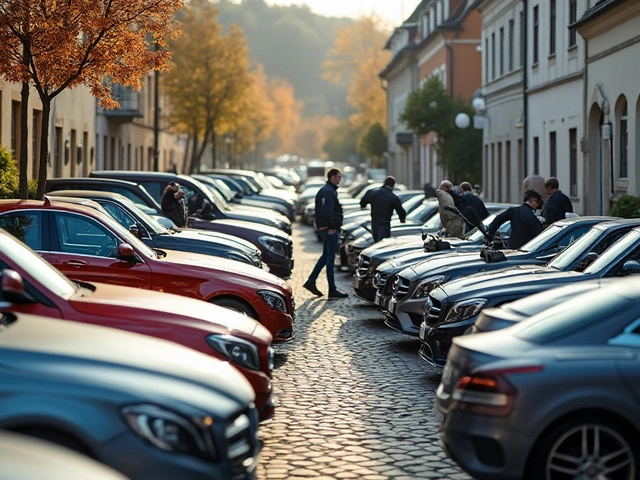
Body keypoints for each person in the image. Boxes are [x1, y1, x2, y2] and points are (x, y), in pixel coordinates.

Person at [303, 168, 348, 299]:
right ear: (332, 177)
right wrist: (332, 226)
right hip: (329, 230)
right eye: (338, 177)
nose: (340, 179)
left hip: (326, 228)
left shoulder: (327, 190)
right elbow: (327, 211)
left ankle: (311, 281)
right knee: (330, 259)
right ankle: (332, 290)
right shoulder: (328, 192)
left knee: (325, 256)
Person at [359, 176, 407, 242]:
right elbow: (401, 211)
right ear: (393, 185)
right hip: (385, 223)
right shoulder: (392, 197)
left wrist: (363, 205)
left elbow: (363, 201)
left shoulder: (373, 193)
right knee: (384, 243)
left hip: (375, 222)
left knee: (376, 242)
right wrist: (402, 219)